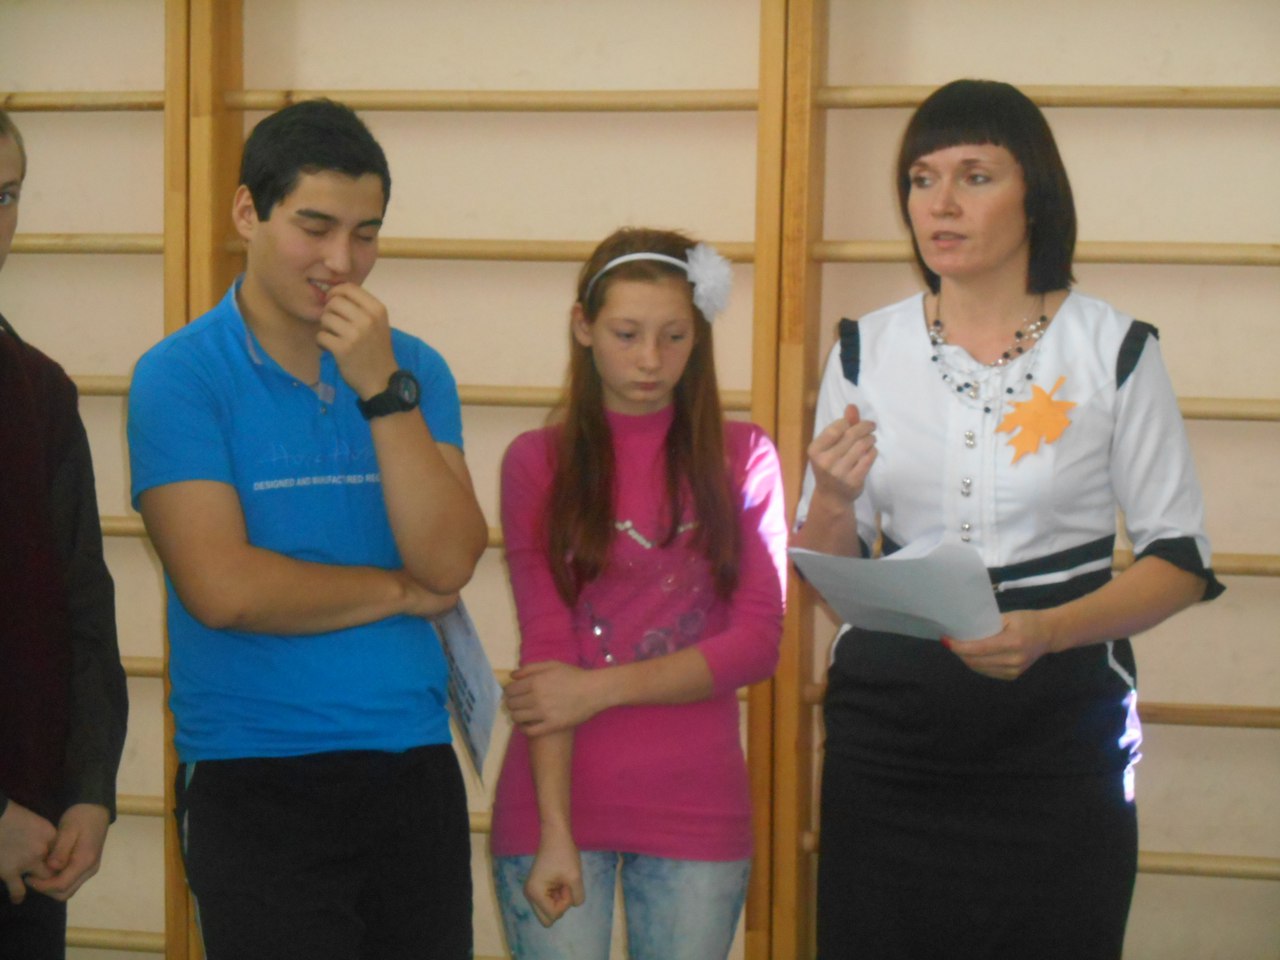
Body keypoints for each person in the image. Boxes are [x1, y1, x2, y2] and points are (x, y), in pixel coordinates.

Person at [793, 79, 1224, 959]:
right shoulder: (865, 350)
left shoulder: (1114, 348)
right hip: (891, 734)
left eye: (976, 176)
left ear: (1037, 195)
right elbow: (831, 572)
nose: (940, 203)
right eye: (922, 179)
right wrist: (832, 501)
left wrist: (1049, 631)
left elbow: (1180, 560)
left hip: (1061, 731)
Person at [127, 99, 488, 960]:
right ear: (247, 212)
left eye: (366, 234)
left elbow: (449, 560)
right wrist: (397, 591)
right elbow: (225, 589)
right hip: (255, 770)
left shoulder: (412, 369)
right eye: (315, 227)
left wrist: (382, 390)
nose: (341, 262)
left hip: (412, 760)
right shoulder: (179, 376)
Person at [489, 227, 787, 960]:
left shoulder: (746, 456)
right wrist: (554, 828)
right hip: (555, 804)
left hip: (698, 807)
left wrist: (597, 691)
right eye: (627, 334)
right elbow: (548, 651)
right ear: (583, 326)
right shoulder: (536, 462)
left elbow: (757, 643)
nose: (651, 359)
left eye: (674, 336)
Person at [0, 109, 128, 958]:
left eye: (6, 195)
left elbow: (83, 608)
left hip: (29, 845)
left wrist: (89, 788)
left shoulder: (39, 390)